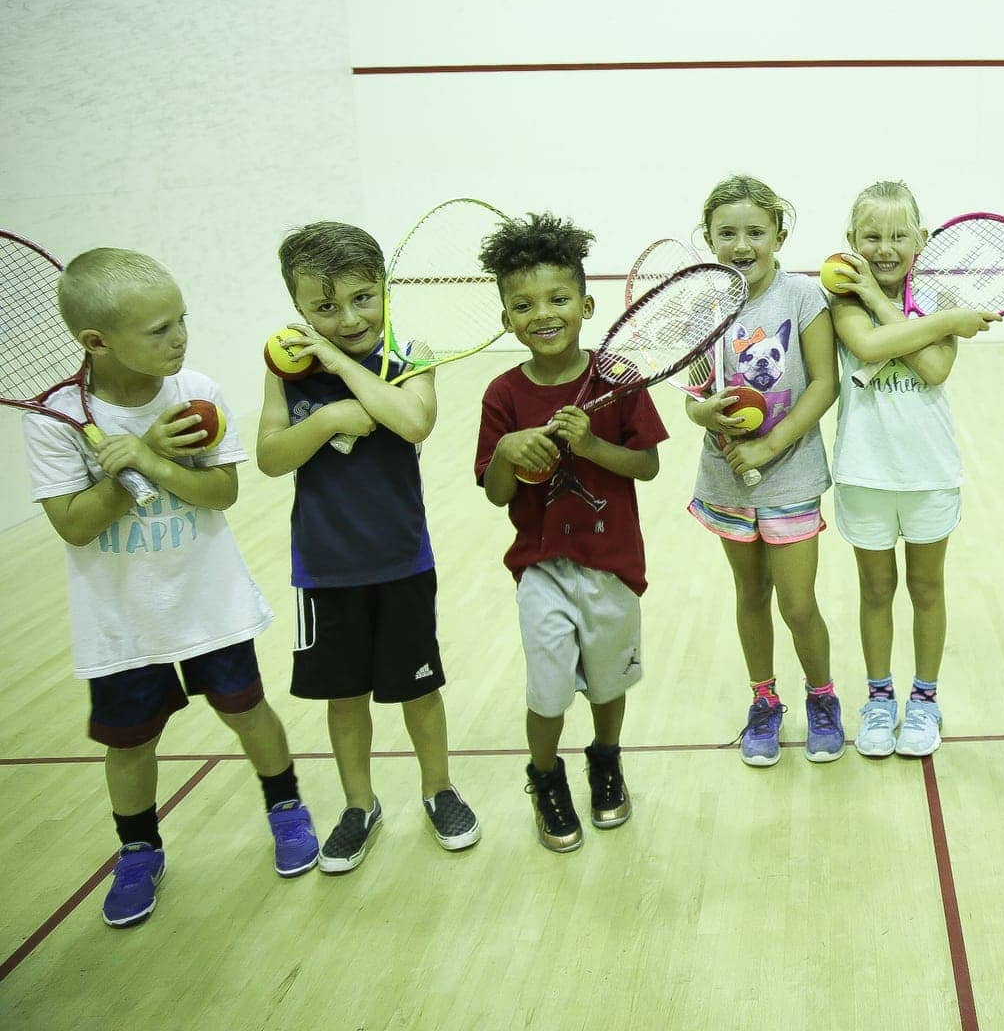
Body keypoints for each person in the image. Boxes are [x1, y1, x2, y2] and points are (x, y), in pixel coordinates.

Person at [22, 248, 318, 927]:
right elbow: (73, 525)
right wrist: (126, 473)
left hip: (208, 602)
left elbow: (222, 492)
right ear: (97, 341)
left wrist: (150, 457)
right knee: (129, 744)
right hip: (122, 620)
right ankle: (138, 850)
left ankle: (286, 805)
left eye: (181, 319)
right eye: (159, 329)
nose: (179, 337)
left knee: (248, 712)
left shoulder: (198, 392)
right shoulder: (53, 420)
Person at [257, 221, 479, 873]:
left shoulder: (411, 353)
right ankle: (360, 805)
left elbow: (414, 421)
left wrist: (340, 365)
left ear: (385, 289)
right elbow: (271, 457)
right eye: (325, 308)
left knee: (418, 689)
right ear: (299, 308)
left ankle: (439, 790)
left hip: (402, 559)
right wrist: (325, 416)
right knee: (344, 695)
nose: (348, 317)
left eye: (362, 297)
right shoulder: (286, 372)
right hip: (324, 567)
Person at [475, 213, 666, 852]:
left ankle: (605, 759)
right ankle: (545, 775)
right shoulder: (502, 395)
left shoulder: (618, 379)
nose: (543, 313)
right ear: (507, 318)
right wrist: (507, 451)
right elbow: (496, 491)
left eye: (558, 299)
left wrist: (589, 446)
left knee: (609, 685)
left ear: (586, 305)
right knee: (549, 689)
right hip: (541, 568)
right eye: (523, 305)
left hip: (612, 565)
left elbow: (647, 465)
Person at [827, 181, 999, 758]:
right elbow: (872, 348)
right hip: (864, 472)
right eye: (871, 236)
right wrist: (938, 318)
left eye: (899, 235)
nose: (884, 247)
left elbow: (931, 367)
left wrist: (924, 317)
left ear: (921, 239)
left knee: (926, 587)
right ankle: (879, 698)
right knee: (876, 590)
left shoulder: (939, 293)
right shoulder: (844, 298)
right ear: (851, 240)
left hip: (928, 472)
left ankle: (924, 698)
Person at [685, 175, 843, 767]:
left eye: (755, 231)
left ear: (779, 234)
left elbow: (823, 383)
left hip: (792, 474)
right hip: (727, 478)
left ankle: (823, 699)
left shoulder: (802, 297)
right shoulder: (703, 305)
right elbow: (694, 394)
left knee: (797, 603)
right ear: (709, 239)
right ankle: (764, 701)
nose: (741, 243)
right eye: (727, 233)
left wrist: (768, 446)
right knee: (750, 593)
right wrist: (701, 411)